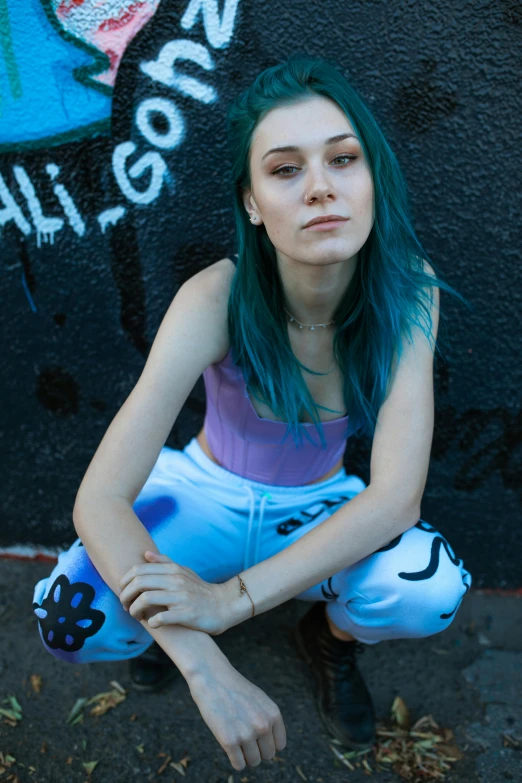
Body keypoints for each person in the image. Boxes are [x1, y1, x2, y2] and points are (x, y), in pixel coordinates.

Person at [32, 54, 472, 772]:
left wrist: (228, 602)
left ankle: (326, 639)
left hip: (322, 507)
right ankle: (159, 637)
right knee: (68, 614)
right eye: (286, 169)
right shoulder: (216, 298)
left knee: (428, 586)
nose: (322, 188)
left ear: (372, 177)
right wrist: (200, 654)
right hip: (200, 500)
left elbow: (395, 498)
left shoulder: (409, 295)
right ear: (251, 201)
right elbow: (100, 497)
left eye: (343, 158)